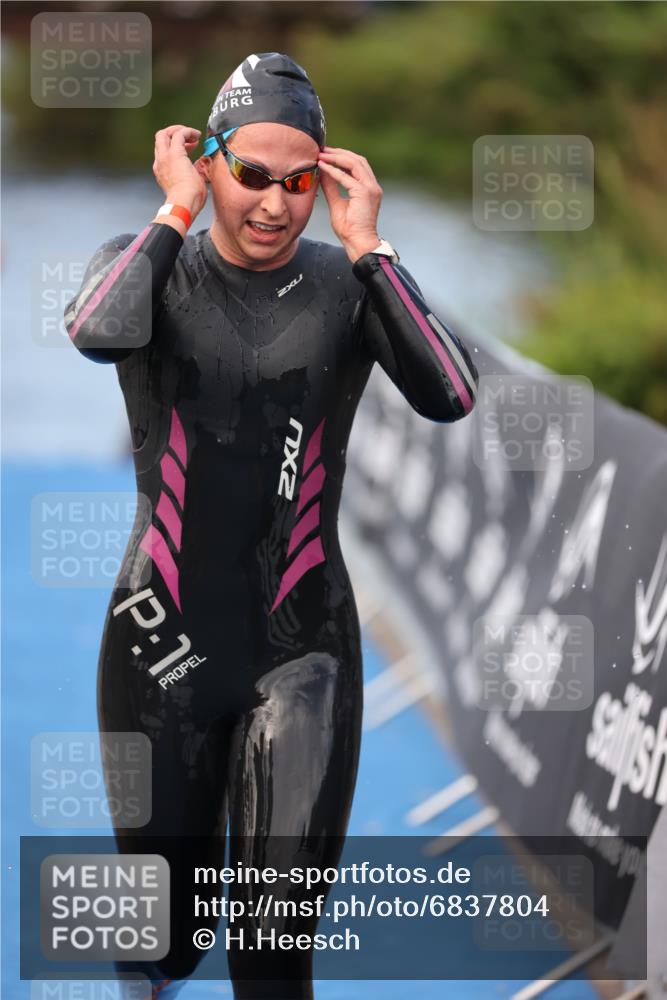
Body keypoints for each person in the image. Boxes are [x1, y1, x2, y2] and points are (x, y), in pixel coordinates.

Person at [64, 52, 478, 1000]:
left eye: (299, 182)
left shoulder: (346, 288)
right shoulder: (146, 265)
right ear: (203, 161)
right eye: (250, 174)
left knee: (271, 954)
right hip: (157, 643)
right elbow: (96, 332)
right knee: (167, 940)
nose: (274, 204)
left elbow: (450, 392)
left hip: (303, 652)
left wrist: (371, 245)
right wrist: (171, 216)